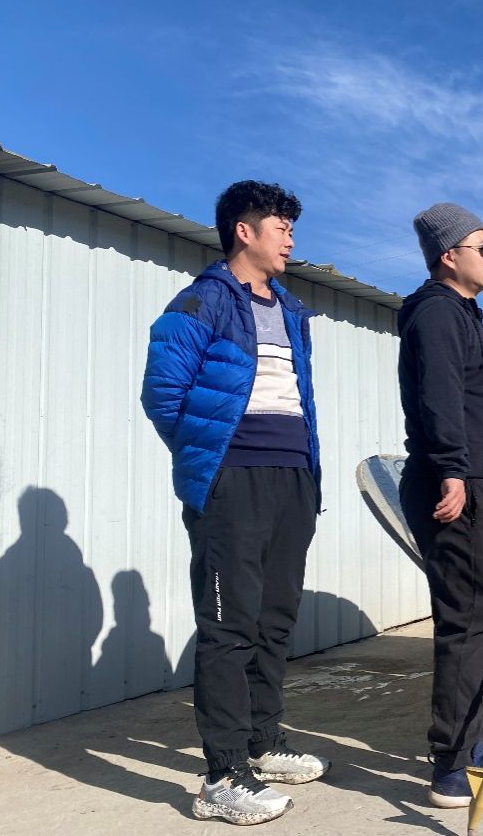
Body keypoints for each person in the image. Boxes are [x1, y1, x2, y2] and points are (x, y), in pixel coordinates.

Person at [141, 180, 327, 825]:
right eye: (281, 226)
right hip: (233, 482)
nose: (290, 238)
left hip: (292, 478)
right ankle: (222, 776)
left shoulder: (292, 309)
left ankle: (262, 740)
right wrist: (214, 463)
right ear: (244, 231)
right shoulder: (200, 302)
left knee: (275, 619)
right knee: (229, 626)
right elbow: (163, 395)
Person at [397, 203, 483, 809]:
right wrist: (453, 470)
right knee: (470, 622)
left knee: (482, 619)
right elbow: (438, 397)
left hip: (477, 479)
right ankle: (453, 770)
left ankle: (476, 745)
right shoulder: (436, 312)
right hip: (462, 484)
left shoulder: (460, 312)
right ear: (448, 254)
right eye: (482, 247)